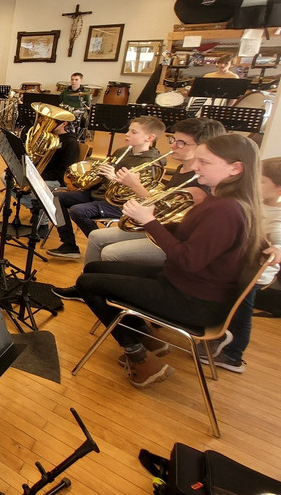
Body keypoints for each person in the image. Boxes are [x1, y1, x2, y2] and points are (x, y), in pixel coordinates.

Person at [75, 133, 263, 388]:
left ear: (235, 168)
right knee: (96, 268)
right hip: (184, 282)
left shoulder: (225, 210)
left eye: (204, 162)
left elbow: (188, 260)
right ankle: (147, 337)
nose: (195, 167)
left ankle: (139, 357)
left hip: (191, 300)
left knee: (87, 282)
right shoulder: (225, 202)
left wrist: (150, 221)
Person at [53, 118, 224, 279]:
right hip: (148, 220)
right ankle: (85, 277)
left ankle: (98, 284)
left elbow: (165, 209)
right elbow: (164, 196)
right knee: (93, 233)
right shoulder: (181, 168)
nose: (172, 147)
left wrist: (132, 184)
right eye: (173, 140)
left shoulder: (200, 180)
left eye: (181, 143)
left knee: (106, 247)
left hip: (163, 232)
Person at [200, 156, 281, 373]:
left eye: (262, 182)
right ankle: (217, 341)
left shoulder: (278, 215)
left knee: (241, 314)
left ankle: (233, 356)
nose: (255, 184)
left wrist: (277, 249)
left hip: (252, 275)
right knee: (229, 308)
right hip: (238, 268)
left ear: (279, 189)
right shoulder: (259, 203)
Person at [47, 115, 164, 259]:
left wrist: (113, 179)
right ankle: (69, 244)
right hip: (99, 193)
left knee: (78, 211)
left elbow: (138, 193)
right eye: (128, 130)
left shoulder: (151, 162)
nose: (127, 134)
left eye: (133, 132)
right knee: (56, 198)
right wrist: (97, 172)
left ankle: (100, 244)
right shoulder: (123, 151)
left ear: (149, 138)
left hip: (118, 203)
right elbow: (106, 173)